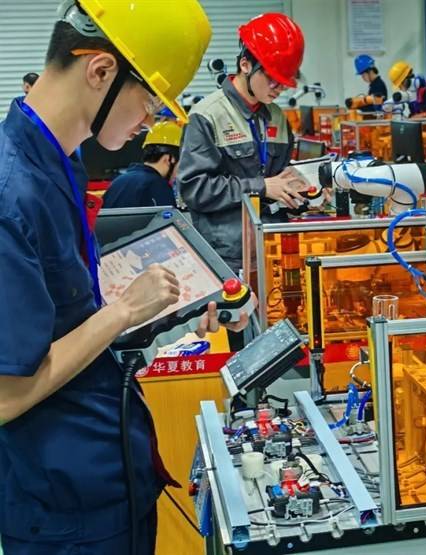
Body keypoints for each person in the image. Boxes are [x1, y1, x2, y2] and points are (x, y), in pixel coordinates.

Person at [0, 2, 240, 554]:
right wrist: (125, 310)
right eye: (150, 100)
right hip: (64, 504)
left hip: (106, 470)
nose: (151, 121)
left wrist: (160, 315)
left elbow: (67, 314)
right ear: (101, 70)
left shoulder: (61, 159)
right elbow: (6, 396)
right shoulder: (12, 194)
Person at [178, 12, 310, 274]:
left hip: (273, 247)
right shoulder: (207, 116)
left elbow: (279, 180)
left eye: (284, 83)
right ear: (245, 64)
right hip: (228, 258)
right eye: (272, 78)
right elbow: (195, 190)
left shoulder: (277, 117)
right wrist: (261, 187)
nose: (279, 89)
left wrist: (301, 190)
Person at [103, 120, 181, 208]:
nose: (178, 172)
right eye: (180, 164)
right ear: (168, 159)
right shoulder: (158, 186)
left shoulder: (118, 181)